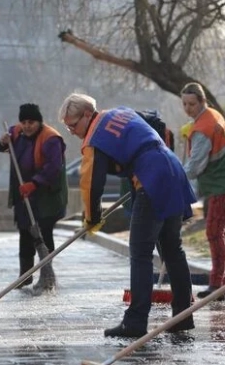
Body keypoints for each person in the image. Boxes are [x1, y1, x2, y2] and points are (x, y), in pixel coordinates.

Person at [58, 93, 196, 338]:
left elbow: (91, 183)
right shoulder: (122, 111)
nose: (71, 131)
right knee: (173, 249)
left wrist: (92, 218)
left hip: (151, 179)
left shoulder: (94, 138)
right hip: (172, 169)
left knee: (140, 254)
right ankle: (183, 316)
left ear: (88, 114)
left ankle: (134, 323)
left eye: (73, 124)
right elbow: (156, 125)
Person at [181, 83, 225, 301]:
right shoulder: (211, 115)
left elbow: (194, 167)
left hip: (223, 186)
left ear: (201, 101)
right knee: (224, 234)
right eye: (184, 104)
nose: (188, 108)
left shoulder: (203, 130)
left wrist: (173, 175)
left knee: (213, 232)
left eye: (192, 103)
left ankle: (217, 285)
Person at [0, 103, 68, 288]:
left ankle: (46, 274)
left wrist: (35, 183)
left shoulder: (51, 139)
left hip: (46, 194)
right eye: (24, 122)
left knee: (44, 232)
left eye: (31, 122)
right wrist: (3, 142)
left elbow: (54, 167)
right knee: (25, 231)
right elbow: (3, 146)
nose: (27, 126)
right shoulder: (16, 132)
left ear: (39, 122)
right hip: (23, 193)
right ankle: (25, 275)